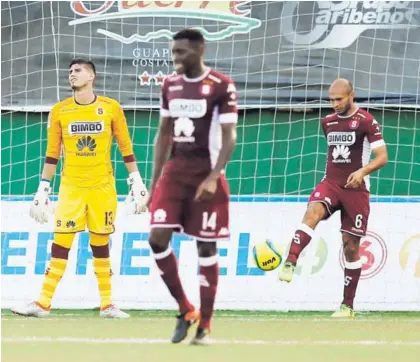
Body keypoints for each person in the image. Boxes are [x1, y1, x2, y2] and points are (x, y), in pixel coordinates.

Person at [11, 58, 148, 318]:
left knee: (100, 244)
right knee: (60, 244)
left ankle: (107, 304)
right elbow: (52, 154)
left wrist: (137, 180)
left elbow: (125, 147)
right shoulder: (60, 110)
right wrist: (43, 188)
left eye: (78, 71)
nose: (72, 75)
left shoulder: (111, 108)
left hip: (102, 187)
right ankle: (42, 303)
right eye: (70, 72)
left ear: (91, 76)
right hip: (71, 188)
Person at [147, 29, 238, 344]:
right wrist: (154, 181)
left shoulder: (220, 85)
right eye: (173, 52)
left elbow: (230, 136)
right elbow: (163, 134)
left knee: (206, 247)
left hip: (206, 172)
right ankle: (186, 309)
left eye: (182, 52)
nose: (176, 58)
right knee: (156, 239)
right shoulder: (170, 85)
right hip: (175, 173)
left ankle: (205, 326)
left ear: (200, 50)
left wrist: (215, 175)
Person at [278, 78, 388, 318]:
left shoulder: (366, 122)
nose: (335, 104)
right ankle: (290, 261)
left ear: (352, 95)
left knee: (351, 247)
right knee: (312, 212)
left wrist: (361, 172)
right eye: (331, 100)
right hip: (331, 183)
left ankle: (347, 306)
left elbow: (382, 157)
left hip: (356, 190)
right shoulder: (327, 122)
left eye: (339, 99)